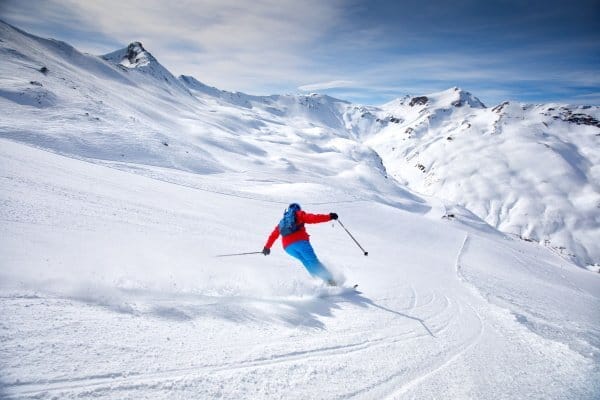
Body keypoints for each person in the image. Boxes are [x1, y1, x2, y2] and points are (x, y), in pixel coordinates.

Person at [263, 203, 339, 286]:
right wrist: (329, 217)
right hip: (300, 242)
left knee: (305, 260)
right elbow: (313, 218)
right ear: (298, 208)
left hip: (288, 248)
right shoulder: (298, 214)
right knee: (312, 260)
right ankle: (331, 282)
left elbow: (273, 235)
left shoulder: (282, 221)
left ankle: (318, 281)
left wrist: (267, 247)